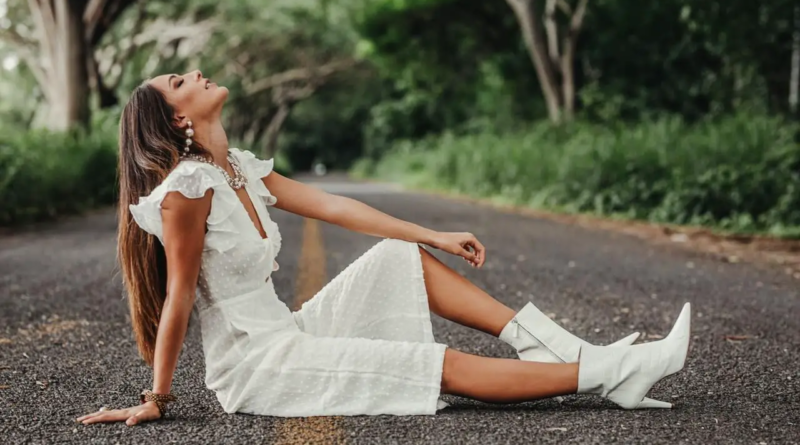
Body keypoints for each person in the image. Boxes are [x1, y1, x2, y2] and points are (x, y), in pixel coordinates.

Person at [76, 70, 691, 427]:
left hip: (292, 330)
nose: (197, 74)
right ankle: (614, 371)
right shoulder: (186, 190)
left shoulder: (237, 168)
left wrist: (430, 235)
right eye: (180, 82)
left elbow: (337, 208)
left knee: (399, 255)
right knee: (431, 365)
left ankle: (563, 349)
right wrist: (157, 397)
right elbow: (179, 291)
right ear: (176, 120)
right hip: (259, 368)